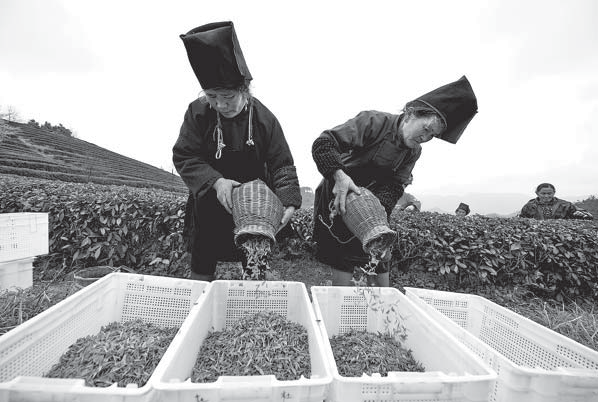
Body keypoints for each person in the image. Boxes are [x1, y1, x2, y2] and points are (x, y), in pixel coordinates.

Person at [312, 76, 478, 286]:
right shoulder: (374, 122)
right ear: (410, 114)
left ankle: (381, 307)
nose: (425, 138)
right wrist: (339, 175)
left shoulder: (413, 151)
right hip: (342, 194)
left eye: (432, 136)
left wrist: (376, 212)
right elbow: (325, 143)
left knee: (381, 254)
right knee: (344, 257)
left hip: (373, 202)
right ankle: (339, 305)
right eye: (425, 129)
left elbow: (395, 185)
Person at [173, 21, 301, 281]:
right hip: (210, 202)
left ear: (244, 90)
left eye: (228, 97)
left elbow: (282, 164)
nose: (220, 104)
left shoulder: (264, 119)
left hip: (254, 209)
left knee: (253, 261)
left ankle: (251, 304)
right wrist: (216, 181)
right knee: (202, 261)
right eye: (212, 96)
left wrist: (289, 201)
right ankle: (201, 306)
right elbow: (184, 155)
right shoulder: (197, 113)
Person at [519, 183, 593, 220]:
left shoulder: (565, 205)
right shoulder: (529, 206)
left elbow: (586, 215)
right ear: (537, 193)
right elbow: (521, 219)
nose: (546, 196)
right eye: (543, 193)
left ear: (554, 193)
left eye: (549, 193)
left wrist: (583, 215)